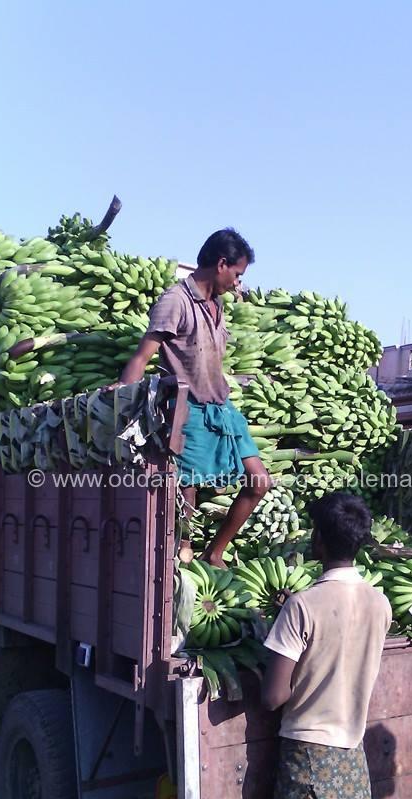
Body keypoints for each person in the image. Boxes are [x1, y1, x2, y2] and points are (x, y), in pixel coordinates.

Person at [261, 492, 391, 799]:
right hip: (350, 754)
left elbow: (274, 696)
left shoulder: (302, 606)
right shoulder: (380, 603)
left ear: (317, 540)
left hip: (307, 758)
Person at [114, 228, 271, 567]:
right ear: (221, 264)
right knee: (187, 487)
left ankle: (214, 552)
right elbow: (143, 355)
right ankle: (182, 556)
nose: (238, 283)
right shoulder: (176, 300)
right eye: (238, 274)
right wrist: (122, 403)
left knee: (259, 481)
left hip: (221, 407)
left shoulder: (216, 305)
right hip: (188, 409)